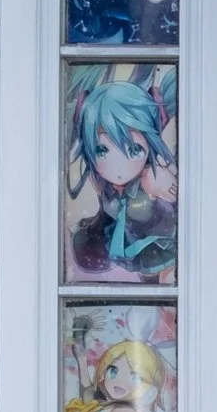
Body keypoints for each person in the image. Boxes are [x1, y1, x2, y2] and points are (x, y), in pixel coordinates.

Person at [66, 68, 178, 281]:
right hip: (117, 249)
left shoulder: (154, 180)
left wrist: (168, 195)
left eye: (134, 150)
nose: (118, 167)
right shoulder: (101, 182)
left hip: (152, 253)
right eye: (102, 150)